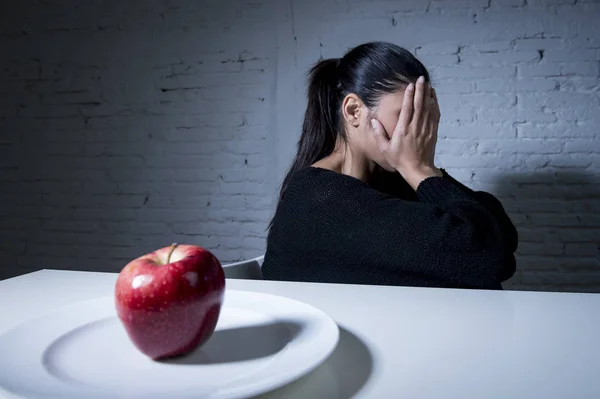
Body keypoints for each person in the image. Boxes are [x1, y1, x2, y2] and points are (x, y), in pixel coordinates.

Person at [262, 41, 517, 290]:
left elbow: (497, 233)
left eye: (425, 117)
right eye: (406, 115)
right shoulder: (319, 200)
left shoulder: (385, 182)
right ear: (353, 111)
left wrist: (423, 171)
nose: (420, 131)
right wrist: (420, 169)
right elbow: (487, 255)